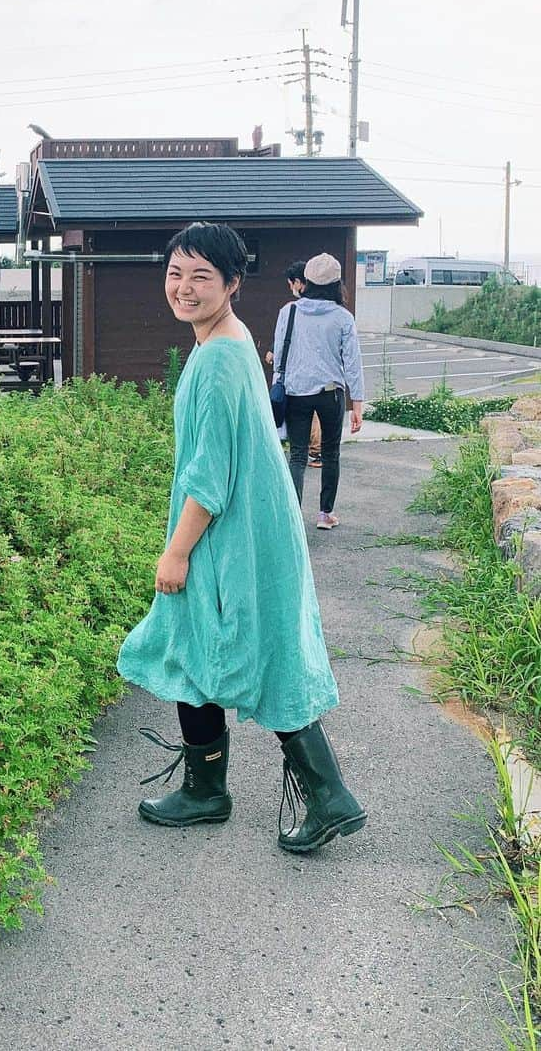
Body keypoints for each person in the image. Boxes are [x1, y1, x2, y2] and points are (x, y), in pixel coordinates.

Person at [117, 223, 365, 853]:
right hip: (251, 526)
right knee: (197, 642)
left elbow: (209, 472)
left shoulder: (222, 358)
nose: (184, 288)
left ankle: (326, 795)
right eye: (176, 274)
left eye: (202, 276)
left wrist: (176, 549)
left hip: (230, 532)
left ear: (232, 283)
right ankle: (207, 790)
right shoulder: (227, 342)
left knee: (247, 648)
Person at [272, 253, 365, 529]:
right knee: (330, 453)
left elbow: (279, 357)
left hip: (295, 392)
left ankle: (292, 519)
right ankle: (325, 515)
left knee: (298, 454)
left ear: (307, 281)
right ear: (337, 284)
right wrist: (357, 403)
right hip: (330, 394)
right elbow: (352, 361)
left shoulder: (288, 312)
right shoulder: (343, 317)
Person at [265, 261, 321, 466]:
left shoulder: (291, 310)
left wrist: (278, 366)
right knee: (312, 415)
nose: (291, 288)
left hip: (297, 376)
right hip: (321, 377)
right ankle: (315, 452)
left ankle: (312, 451)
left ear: (298, 282)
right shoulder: (330, 308)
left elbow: (284, 338)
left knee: (299, 417)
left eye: (291, 284)